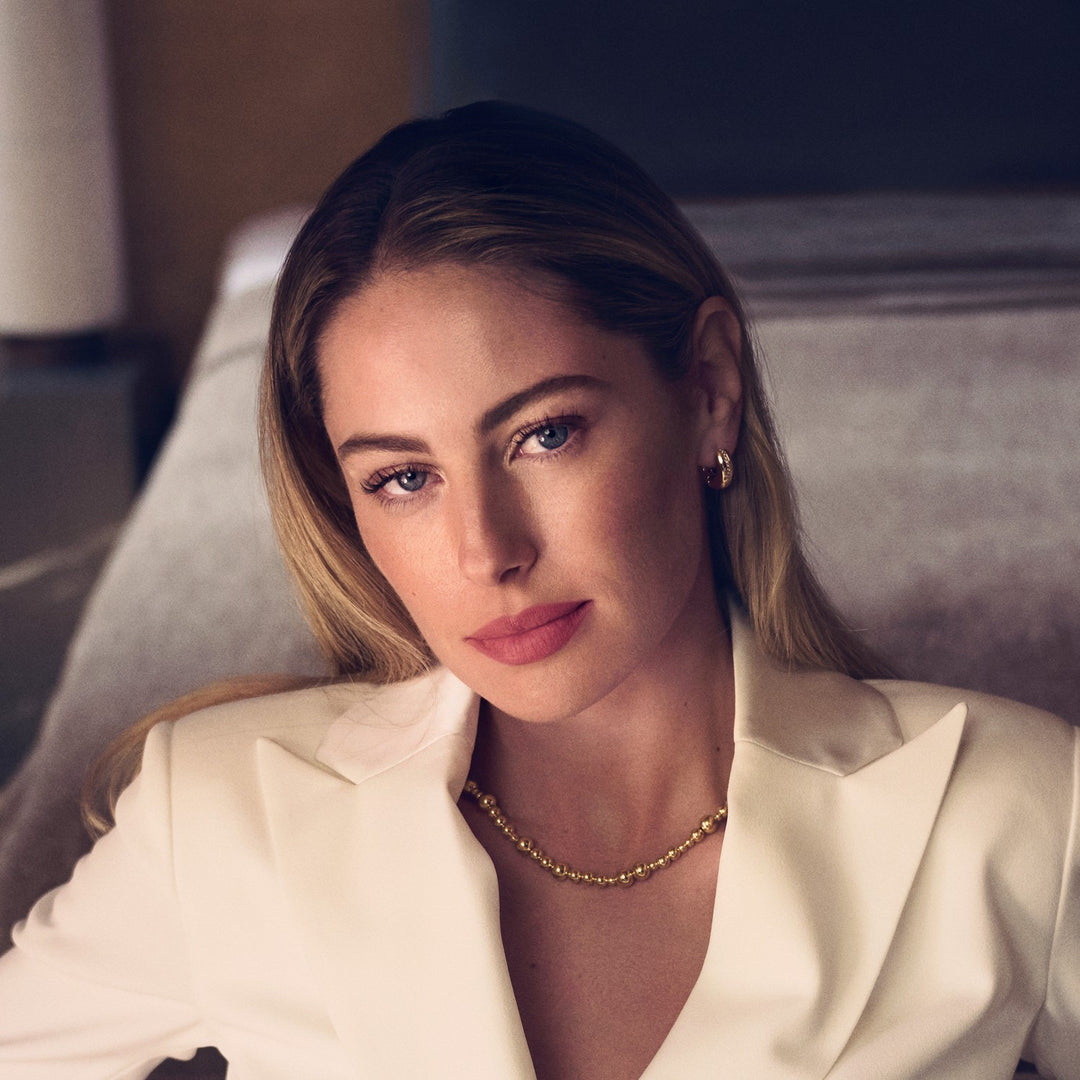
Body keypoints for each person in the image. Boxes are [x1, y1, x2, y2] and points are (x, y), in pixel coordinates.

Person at [0, 101, 1076, 1080]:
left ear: (708, 391)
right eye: (404, 478)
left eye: (543, 434)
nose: (487, 552)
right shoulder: (221, 813)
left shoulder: (1016, 811)